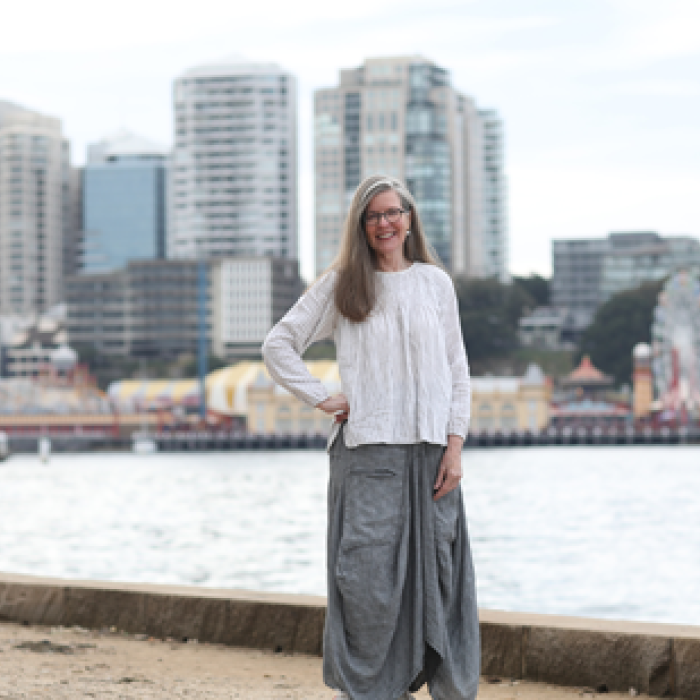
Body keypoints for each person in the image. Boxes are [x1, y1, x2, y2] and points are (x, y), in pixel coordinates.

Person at [262, 175, 479, 700]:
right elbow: (279, 344)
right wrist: (321, 396)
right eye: (373, 215)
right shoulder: (343, 283)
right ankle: (369, 691)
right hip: (369, 454)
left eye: (393, 212)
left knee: (441, 576)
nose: (385, 223)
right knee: (368, 581)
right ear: (361, 225)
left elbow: (457, 368)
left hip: (432, 454)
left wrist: (455, 445)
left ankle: (446, 689)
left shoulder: (435, 283)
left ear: (409, 219)